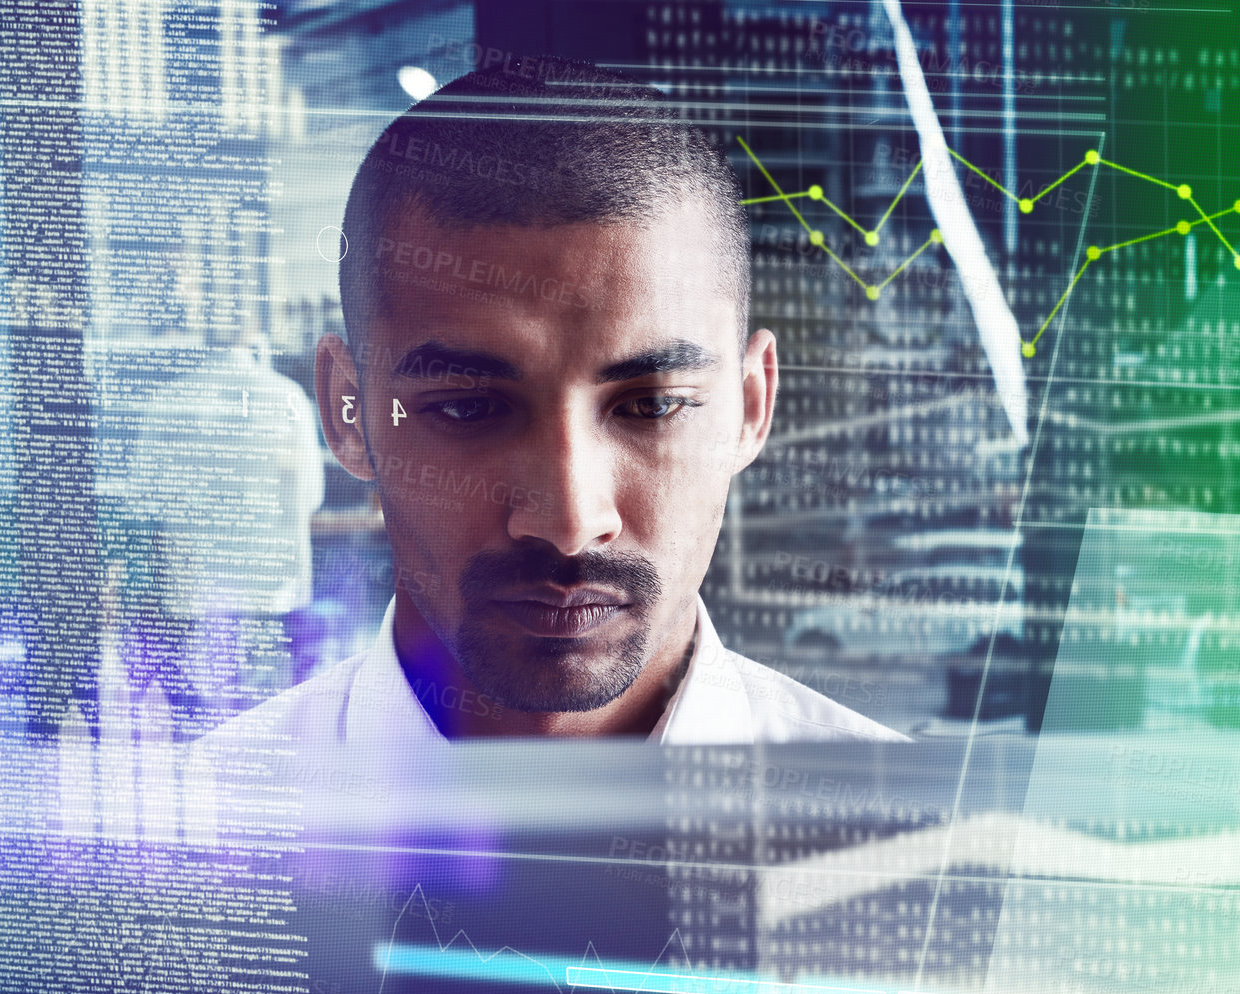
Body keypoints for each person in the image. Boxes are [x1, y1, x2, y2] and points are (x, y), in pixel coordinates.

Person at [205, 57, 904, 747]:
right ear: (349, 411)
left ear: (751, 407)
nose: (570, 522)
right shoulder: (203, 829)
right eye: (468, 408)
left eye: (653, 406)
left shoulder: (919, 842)